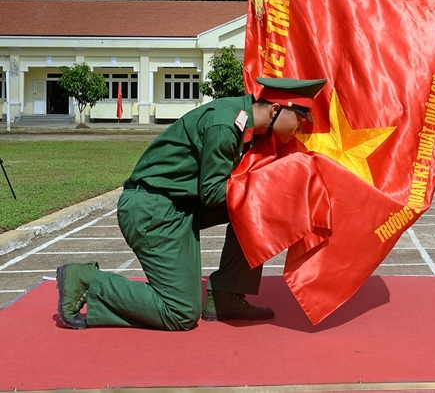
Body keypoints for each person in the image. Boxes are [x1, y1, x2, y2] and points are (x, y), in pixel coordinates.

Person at [55, 76, 327, 331]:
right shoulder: (226, 124)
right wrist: (264, 192)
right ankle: (87, 281)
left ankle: (225, 295)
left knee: (261, 208)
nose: (301, 128)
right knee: (180, 312)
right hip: (152, 209)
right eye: (300, 119)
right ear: (277, 109)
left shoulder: (246, 125)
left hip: (178, 206)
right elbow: (211, 193)